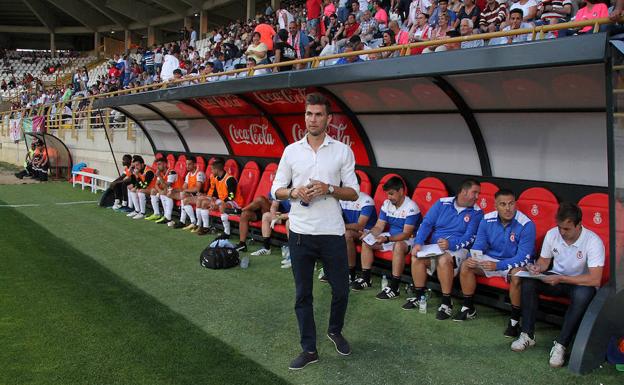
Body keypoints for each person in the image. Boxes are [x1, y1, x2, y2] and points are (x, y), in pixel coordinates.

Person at [271, 92, 359, 370]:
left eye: (318, 114)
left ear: (328, 119)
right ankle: (309, 349)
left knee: (342, 290)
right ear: (304, 116)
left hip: (332, 232)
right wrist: (294, 192)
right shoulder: (291, 151)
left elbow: (354, 192)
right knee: (302, 294)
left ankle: (334, 330)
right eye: (309, 114)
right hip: (300, 232)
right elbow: (276, 188)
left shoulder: (343, 150)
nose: (313, 119)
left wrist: (329, 188)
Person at [512, 203, 605, 367]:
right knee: (528, 282)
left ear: (578, 225)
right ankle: (527, 334)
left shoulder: (593, 241)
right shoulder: (552, 234)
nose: (562, 232)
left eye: (567, 229)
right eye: (560, 227)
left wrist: (561, 279)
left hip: (580, 282)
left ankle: (561, 345)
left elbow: (595, 279)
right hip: (557, 278)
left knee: (583, 294)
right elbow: (545, 261)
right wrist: (537, 268)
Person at [455, 189, 536, 339]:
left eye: (511, 204)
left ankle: (514, 320)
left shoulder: (526, 224)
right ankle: (468, 307)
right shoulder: (487, 219)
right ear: (495, 206)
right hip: (491, 259)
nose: (508, 208)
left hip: (514, 263)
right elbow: (479, 244)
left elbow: (524, 257)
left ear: (515, 204)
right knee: (467, 265)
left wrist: (498, 266)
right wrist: (475, 257)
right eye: (503, 204)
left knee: (517, 275)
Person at [404, 179, 483, 319]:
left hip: (459, 249)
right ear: (464, 192)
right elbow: (426, 223)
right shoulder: (442, 203)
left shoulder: (477, 213)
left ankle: (446, 303)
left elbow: (470, 237)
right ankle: (419, 296)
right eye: (474, 193)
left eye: (478, 193)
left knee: (444, 259)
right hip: (435, 246)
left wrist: (450, 245)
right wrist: (418, 243)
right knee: (417, 256)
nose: (478, 197)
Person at [352, 176, 421, 299]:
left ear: (401, 191)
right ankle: (366, 279)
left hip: (409, 239)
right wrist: (370, 234)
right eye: (387, 194)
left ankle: (395, 288)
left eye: (391, 194)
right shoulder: (387, 204)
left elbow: (406, 234)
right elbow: (379, 226)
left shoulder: (411, 207)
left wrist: (387, 239)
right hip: (391, 236)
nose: (389, 197)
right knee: (367, 242)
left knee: (398, 246)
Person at [195, 157, 242, 238]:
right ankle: (206, 227)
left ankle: (226, 233)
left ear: (217, 169)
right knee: (204, 203)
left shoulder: (229, 179)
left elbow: (231, 196)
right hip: (222, 200)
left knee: (221, 206)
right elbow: (215, 194)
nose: (211, 171)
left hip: (235, 202)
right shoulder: (217, 178)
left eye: (212, 169)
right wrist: (213, 201)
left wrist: (219, 203)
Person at [340, 180, 377, 283]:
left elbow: (360, 226)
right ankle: (330, 269)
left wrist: (338, 226)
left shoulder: (366, 200)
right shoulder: (341, 199)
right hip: (348, 230)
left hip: (367, 233)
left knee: (347, 234)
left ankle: (350, 273)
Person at [145, 157, 177, 222]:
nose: (158, 167)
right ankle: (157, 213)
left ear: (165, 164)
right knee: (154, 191)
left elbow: (167, 186)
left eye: (159, 164)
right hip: (169, 190)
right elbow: (156, 185)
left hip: (177, 191)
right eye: (157, 165)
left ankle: (168, 217)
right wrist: (160, 191)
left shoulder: (172, 172)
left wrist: (159, 176)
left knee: (166, 192)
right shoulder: (161, 173)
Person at [126, 156, 155, 220]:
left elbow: (144, 186)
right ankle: (137, 210)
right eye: (135, 165)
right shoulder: (139, 170)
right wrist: (132, 174)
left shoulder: (149, 172)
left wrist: (136, 176)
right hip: (148, 189)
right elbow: (134, 183)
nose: (136, 167)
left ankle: (143, 213)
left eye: (137, 165)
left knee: (140, 191)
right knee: (132, 189)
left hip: (155, 190)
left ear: (142, 164)